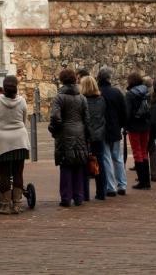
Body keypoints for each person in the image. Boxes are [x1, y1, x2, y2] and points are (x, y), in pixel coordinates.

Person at [0, 75, 31, 214]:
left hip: (3, 141)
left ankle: (5, 205)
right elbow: (24, 121)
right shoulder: (22, 101)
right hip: (20, 139)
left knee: (4, 174)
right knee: (18, 173)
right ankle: (17, 204)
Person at [49, 68, 90, 207]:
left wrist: (55, 130)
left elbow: (55, 117)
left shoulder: (59, 97)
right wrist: (87, 135)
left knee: (65, 165)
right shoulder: (82, 98)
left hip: (65, 134)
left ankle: (66, 197)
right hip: (79, 133)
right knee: (78, 165)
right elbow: (87, 119)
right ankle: (78, 196)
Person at [99, 67, 127, 197]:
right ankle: (122, 184)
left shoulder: (98, 93)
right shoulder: (117, 93)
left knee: (106, 158)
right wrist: (121, 125)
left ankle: (111, 186)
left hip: (103, 129)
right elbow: (123, 112)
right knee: (117, 157)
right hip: (115, 128)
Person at [82, 75, 107, 201]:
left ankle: (85, 194)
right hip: (99, 134)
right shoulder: (101, 99)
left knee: (85, 163)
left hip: (86, 135)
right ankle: (101, 192)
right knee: (100, 163)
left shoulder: (83, 100)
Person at [124, 71, 151, 190]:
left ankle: (142, 181)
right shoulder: (147, 91)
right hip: (145, 124)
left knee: (137, 152)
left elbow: (127, 113)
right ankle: (147, 180)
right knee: (144, 151)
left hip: (134, 125)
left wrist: (125, 124)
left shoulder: (130, 94)